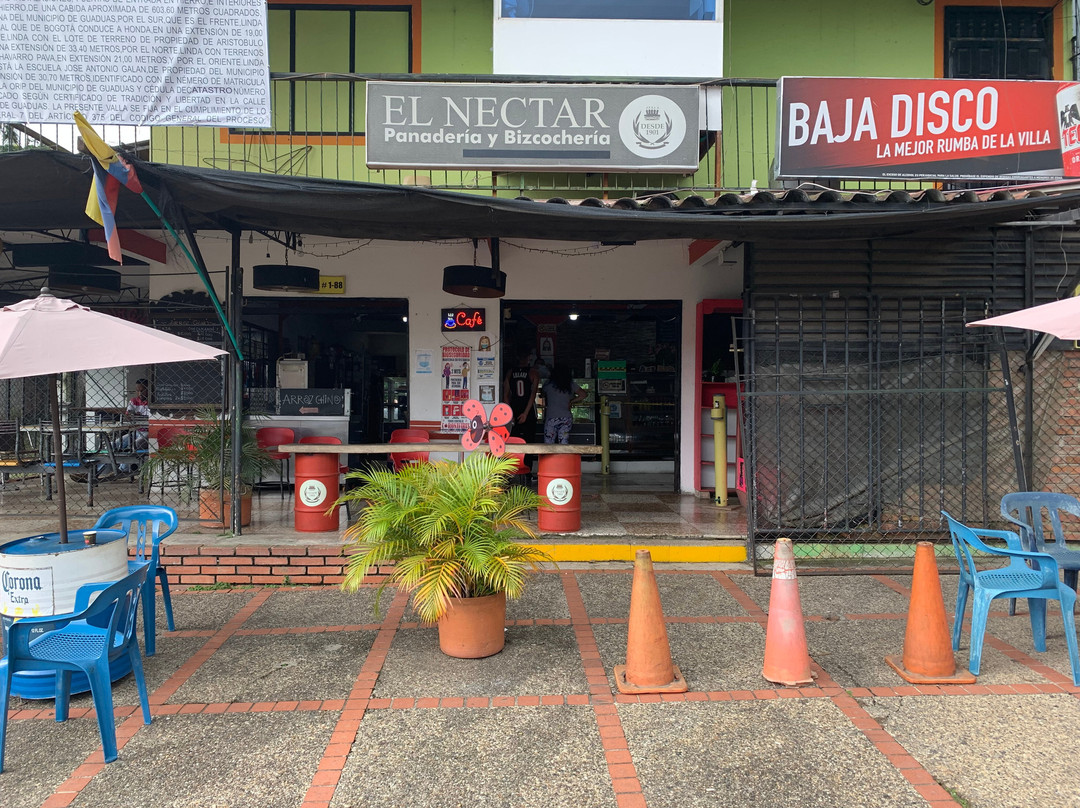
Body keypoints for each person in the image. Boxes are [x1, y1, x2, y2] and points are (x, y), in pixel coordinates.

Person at [87, 378, 150, 480]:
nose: (139, 393)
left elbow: (149, 419)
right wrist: (133, 417)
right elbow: (128, 415)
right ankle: (95, 473)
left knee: (135, 444)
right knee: (112, 444)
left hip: (149, 432)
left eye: (142, 390)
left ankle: (123, 469)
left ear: (148, 390)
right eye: (137, 390)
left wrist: (137, 417)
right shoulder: (134, 401)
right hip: (137, 431)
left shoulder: (152, 403)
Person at [503, 348, 540, 473]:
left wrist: (510, 414)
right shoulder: (533, 372)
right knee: (529, 443)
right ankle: (527, 470)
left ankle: (513, 469)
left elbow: (506, 395)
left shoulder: (510, 372)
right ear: (529, 357)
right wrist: (526, 413)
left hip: (514, 409)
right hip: (527, 412)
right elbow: (532, 395)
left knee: (513, 441)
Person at [542, 364, 586, 444]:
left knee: (548, 444)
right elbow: (583, 394)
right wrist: (572, 401)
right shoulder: (570, 384)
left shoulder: (548, 384)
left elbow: (542, 394)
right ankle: (564, 456)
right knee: (563, 442)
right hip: (566, 417)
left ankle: (550, 457)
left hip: (551, 417)